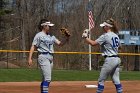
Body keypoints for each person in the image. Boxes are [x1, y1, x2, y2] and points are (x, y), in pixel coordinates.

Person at [28, 19, 69, 93]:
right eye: (48, 26)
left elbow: (60, 44)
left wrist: (67, 38)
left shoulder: (51, 36)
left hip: (50, 58)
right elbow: (33, 46)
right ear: (44, 26)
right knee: (48, 79)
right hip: (43, 57)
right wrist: (30, 58)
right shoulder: (39, 35)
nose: (50, 27)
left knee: (45, 79)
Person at [82, 18, 123, 93]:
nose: (103, 27)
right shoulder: (116, 35)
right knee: (116, 80)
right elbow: (120, 47)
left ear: (108, 27)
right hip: (117, 59)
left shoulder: (105, 36)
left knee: (101, 80)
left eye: (104, 26)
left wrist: (85, 37)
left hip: (110, 59)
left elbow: (93, 43)